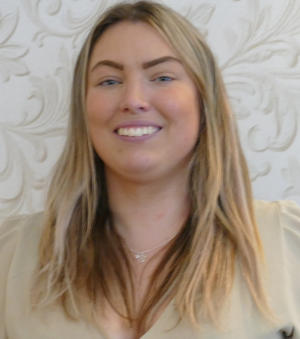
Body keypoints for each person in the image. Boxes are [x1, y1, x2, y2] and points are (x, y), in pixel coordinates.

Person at [0, 1, 299, 338]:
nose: (134, 99)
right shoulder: (10, 256)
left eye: (162, 76)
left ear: (205, 101)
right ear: (83, 108)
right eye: (109, 81)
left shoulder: (289, 244)